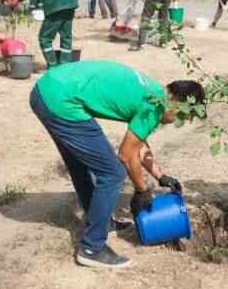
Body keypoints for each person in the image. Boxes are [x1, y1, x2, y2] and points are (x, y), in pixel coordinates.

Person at [30, 61, 205, 268]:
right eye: (181, 116)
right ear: (176, 102)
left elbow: (138, 142)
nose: (176, 122)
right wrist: (141, 190)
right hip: (61, 100)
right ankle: (92, 248)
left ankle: (101, 222)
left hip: (48, 89)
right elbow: (126, 154)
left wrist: (159, 175)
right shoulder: (156, 106)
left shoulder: (154, 91)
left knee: (80, 165)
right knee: (113, 173)